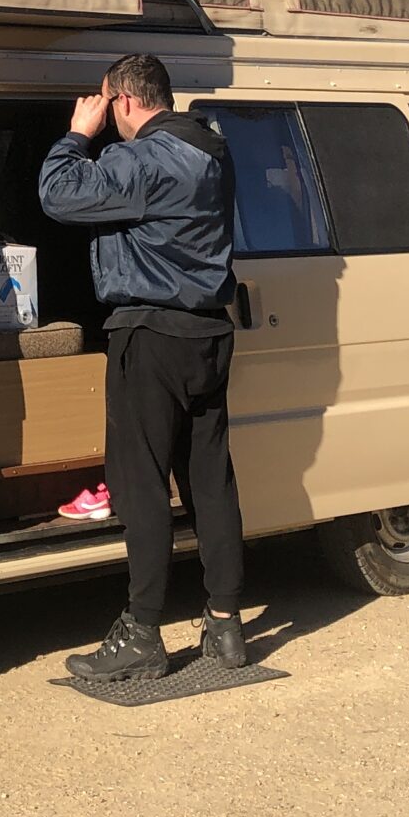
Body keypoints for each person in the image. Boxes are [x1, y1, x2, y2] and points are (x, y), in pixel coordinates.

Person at [38, 53, 248, 683]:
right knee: (212, 483)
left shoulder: (141, 160)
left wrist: (79, 132)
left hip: (151, 335)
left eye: (109, 105)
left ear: (124, 102)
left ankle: (143, 631)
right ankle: (226, 625)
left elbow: (58, 195)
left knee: (141, 485)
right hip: (210, 332)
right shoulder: (213, 150)